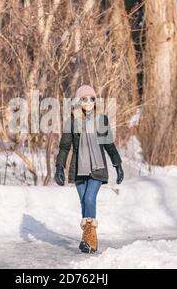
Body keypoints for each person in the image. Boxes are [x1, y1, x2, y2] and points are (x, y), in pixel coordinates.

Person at [54, 84, 124, 253]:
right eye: (84, 99)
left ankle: (86, 238)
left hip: (98, 167)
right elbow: (64, 147)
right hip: (78, 168)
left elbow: (109, 145)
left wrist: (118, 164)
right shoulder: (71, 122)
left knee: (89, 199)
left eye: (91, 99)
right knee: (84, 202)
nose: (88, 102)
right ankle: (92, 240)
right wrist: (59, 167)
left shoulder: (102, 120)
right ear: (78, 102)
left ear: (95, 100)